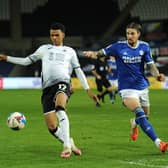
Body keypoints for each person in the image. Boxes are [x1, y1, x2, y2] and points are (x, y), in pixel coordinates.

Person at [0, 22, 99, 158]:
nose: (54, 38)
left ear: (63, 35)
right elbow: (26, 61)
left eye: (57, 35)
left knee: (60, 108)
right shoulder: (44, 49)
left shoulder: (70, 51)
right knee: (52, 127)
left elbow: (78, 70)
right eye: (52, 35)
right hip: (47, 89)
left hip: (63, 83)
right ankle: (68, 141)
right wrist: (7, 58)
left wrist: (88, 89)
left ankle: (66, 147)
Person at [83, 22, 168, 153]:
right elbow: (101, 53)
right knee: (140, 113)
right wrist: (92, 53)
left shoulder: (145, 47)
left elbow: (151, 66)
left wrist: (157, 76)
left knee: (145, 117)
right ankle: (159, 143)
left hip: (142, 87)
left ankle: (134, 123)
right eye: (128, 33)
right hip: (127, 89)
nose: (130, 36)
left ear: (138, 34)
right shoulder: (118, 47)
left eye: (132, 33)